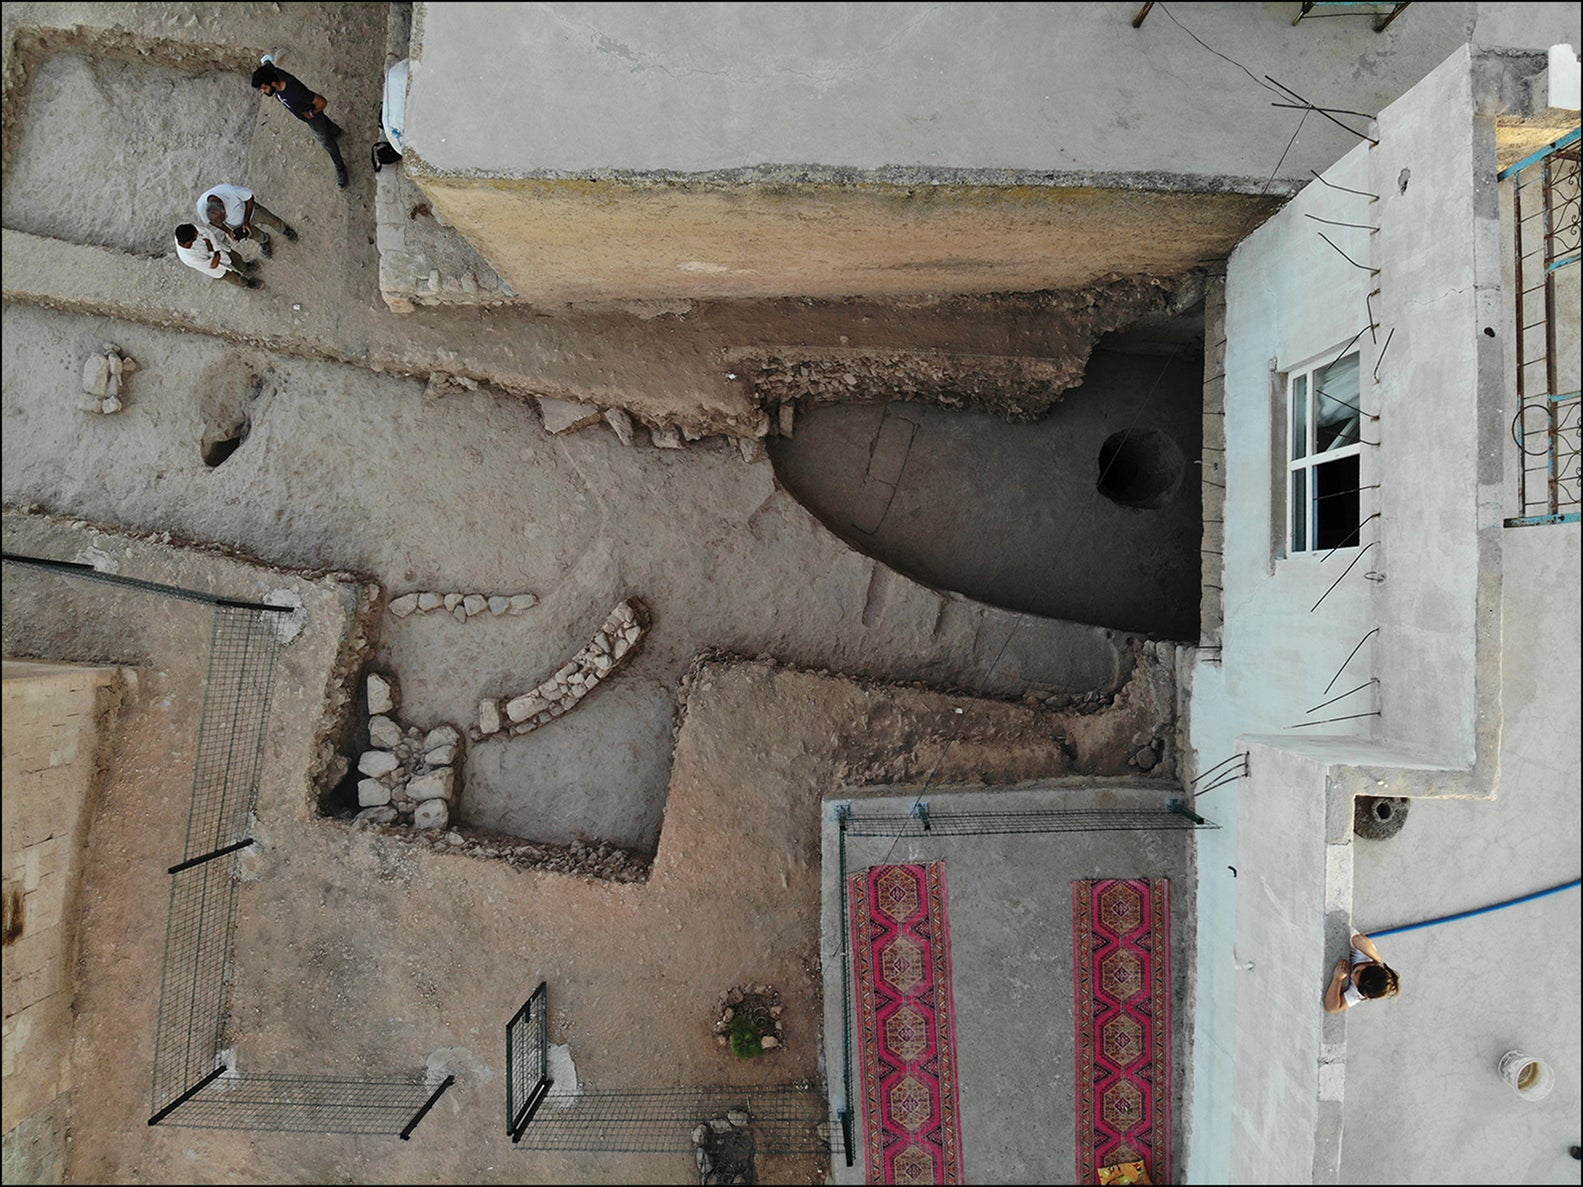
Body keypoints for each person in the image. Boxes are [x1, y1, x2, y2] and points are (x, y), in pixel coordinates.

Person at [250, 59, 349, 189]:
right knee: (325, 126)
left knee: (326, 141)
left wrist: (312, 114)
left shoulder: (296, 92)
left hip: (311, 116)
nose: (263, 91)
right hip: (304, 111)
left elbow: (322, 102)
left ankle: (340, 168)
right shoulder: (273, 74)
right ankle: (335, 130)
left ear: (273, 83)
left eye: (264, 88)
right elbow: (267, 63)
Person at [197, 184, 297, 259]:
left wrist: (246, 221)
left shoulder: (229, 190)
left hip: (252, 212)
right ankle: (264, 241)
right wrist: (228, 230)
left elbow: (249, 198)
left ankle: (284, 230)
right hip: (236, 224)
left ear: (223, 206)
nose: (225, 219)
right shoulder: (202, 208)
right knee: (252, 234)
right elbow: (212, 222)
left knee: (271, 220)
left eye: (224, 217)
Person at [1324, 932, 1400, 1012]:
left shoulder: (1359, 992)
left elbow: (1331, 1007)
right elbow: (1357, 939)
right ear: (1371, 965)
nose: (1352, 975)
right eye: (1357, 971)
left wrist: (1337, 979)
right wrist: (1378, 961)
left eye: (1355, 982)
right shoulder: (1367, 955)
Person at [173, 224, 262, 289]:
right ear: (189, 242)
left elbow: (208, 233)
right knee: (233, 277)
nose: (198, 233)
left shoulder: (187, 230)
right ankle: (247, 283)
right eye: (196, 235)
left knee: (236, 257)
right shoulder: (189, 258)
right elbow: (213, 264)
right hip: (215, 267)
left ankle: (245, 268)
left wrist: (215, 249)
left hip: (218, 249)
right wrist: (211, 247)